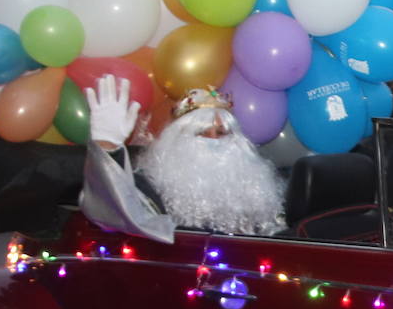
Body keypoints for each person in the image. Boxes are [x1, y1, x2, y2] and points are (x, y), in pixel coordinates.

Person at [82, 76, 284, 240]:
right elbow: (113, 215)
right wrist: (107, 147)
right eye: (202, 133)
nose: (214, 141)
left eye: (222, 133)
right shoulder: (149, 185)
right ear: (177, 140)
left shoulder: (256, 190)